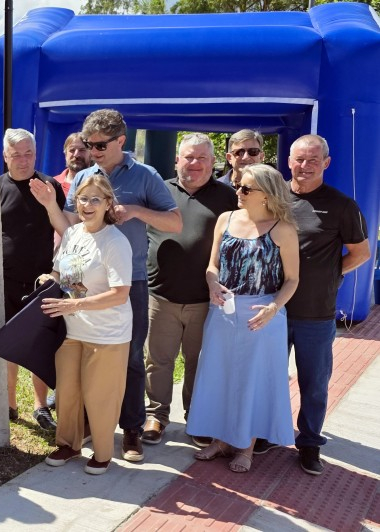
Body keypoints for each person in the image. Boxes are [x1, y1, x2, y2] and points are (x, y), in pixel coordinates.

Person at [31, 109, 181, 463]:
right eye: (88, 144)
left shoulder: (145, 176)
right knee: (78, 356)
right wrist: (52, 204)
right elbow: (69, 226)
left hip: (130, 282)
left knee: (128, 359)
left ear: (120, 141)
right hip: (83, 283)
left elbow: (175, 222)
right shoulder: (85, 176)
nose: (92, 150)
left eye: (99, 144)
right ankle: (82, 428)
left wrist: (135, 211)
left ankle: (130, 430)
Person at [255, 134, 370, 475]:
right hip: (273, 309)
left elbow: (361, 253)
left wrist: (332, 274)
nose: (305, 166)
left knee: (314, 383)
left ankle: (308, 443)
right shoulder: (272, 200)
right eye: (299, 160)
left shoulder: (341, 205)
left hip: (316, 313)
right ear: (288, 162)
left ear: (326, 163)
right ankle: (270, 432)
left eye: (313, 160)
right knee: (269, 377)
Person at [187, 163, 300, 473]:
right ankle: (221, 440)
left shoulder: (283, 228)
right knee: (218, 375)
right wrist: (211, 283)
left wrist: (274, 308)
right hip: (223, 311)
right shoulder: (226, 219)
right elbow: (212, 266)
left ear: (266, 195)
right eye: (239, 185)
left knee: (252, 381)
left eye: (246, 188)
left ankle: (245, 446)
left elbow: (292, 280)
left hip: (262, 314)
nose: (238, 191)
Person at [142, 133, 237, 447]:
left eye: (201, 158)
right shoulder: (158, 192)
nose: (194, 164)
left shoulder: (229, 197)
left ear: (212, 162)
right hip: (160, 295)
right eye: (188, 157)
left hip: (205, 300)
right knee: (158, 360)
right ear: (176, 160)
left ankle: (197, 417)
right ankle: (156, 415)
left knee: (200, 362)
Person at [39, 174, 132, 475]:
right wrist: (47, 279)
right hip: (70, 329)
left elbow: (120, 294)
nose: (88, 205)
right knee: (67, 392)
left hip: (107, 334)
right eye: (82, 198)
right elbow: (61, 274)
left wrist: (74, 304)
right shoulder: (73, 233)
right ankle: (69, 444)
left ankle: (103, 453)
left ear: (108, 204)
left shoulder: (116, 242)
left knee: (99, 395)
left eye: (95, 199)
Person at [0, 128, 65, 431]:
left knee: (41, 346)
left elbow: (64, 228)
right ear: (6, 157)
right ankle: (9, 404)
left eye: (29, 154)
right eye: (16, 155)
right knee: (7, 344)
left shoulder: (50, 185)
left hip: (42, 282)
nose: (23, 160)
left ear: (36, 154)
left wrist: (50, 203)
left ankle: (41, 407)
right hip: (4, 281)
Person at [54, 132, 91, 197]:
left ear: (91, 154)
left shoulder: (101, 183)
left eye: (82, 150)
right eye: (72, 150)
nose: (76, 155)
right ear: (65, 154)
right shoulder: (53, 184)